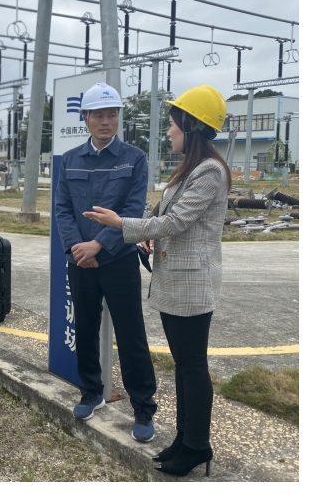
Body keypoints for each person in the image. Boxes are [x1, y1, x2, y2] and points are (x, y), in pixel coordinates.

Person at [84, 84, 231, 478]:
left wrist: (122, 224)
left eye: (172, 124)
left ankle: (197, 445)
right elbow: (165, 214)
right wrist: (147, 232)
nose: (168, 132)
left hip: (191, 286)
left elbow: (176, 221)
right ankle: (185, 439)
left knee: (192, 366)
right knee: (184, 366)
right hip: (176, 283)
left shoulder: (210, 171)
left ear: (191, 125)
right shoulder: (191, 169)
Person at [53, 82, 158, 442]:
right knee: (84, 328)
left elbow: (133, 209)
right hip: (81, 260)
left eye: (112, 114)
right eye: (98, 115)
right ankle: (91, 391)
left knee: (131, 335)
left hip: (119, 258)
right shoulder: (70, 160)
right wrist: (77, 248)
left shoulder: (134, 158)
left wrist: (98, 245)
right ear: (85, 118)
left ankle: (143, 408)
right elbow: (62, 209)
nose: (106, 121)